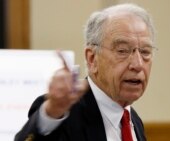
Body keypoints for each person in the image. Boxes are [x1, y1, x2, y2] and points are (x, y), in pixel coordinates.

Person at [15, 3, 156, 141]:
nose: (137, 64)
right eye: (122, 51)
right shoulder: (63, 114)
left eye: (145, 52)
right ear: (92, 58)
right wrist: (52, 111)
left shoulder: (133, 121)